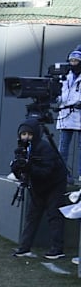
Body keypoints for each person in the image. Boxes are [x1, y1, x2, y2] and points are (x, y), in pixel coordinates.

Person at [11, 119, 67, 260]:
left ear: (35, 134)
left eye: (29, 134)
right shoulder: (22, 149)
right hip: (38, 185)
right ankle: (24, 248)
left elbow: (46, 172)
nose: (26, 137)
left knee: (54, 216)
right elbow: (21, 173)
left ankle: (57, 249)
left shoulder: (45, 148)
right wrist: (17, 167)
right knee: (32, 216)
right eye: (23, 134)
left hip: (54, 184)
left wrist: (29, 167)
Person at [56, 46, 81, 185]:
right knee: (63, 147)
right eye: (71, 60)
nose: (73, 63)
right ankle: (62, 173)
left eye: (76, 61)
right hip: (66, 114)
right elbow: (60, 94)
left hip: (79, 114)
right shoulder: (64, 75)